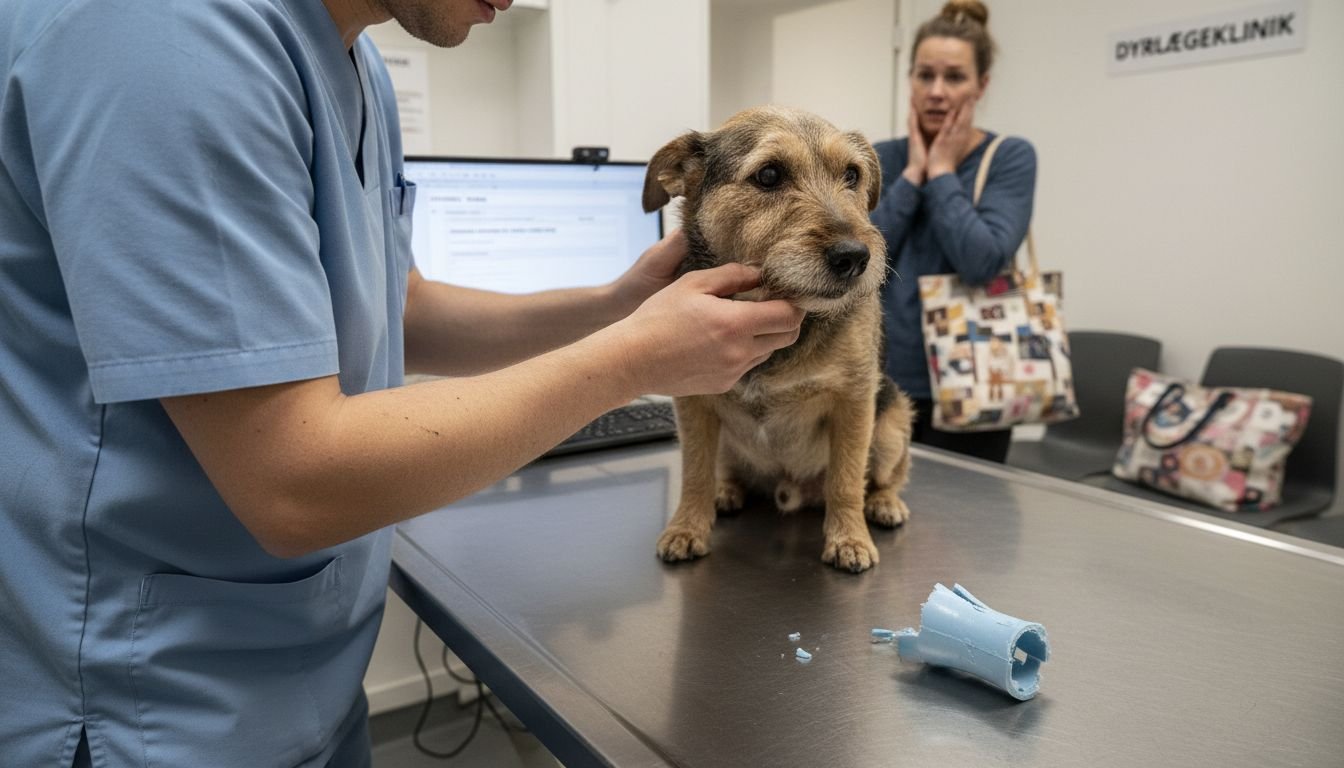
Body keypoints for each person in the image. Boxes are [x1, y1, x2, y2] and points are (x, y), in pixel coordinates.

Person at [0, 0, 805, 765]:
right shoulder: (162, 39)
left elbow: (402, 303)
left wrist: (617, 306)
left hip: (298, 675)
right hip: (150, 707)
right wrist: (634, 358)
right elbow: (292, 481)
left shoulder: (357, 60)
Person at [871, 0, 1036, 463]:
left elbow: (982, 262)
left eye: (954, 77)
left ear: (981, 85)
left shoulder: (1009, 157)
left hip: (974, 380)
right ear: (911, 81)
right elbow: (859, 260)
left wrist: (941, 171)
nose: (937, 92)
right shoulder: (883, 156)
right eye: (925, 75)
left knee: (968, 528)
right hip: (879, 376)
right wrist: (911, 177)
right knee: (876, 508)